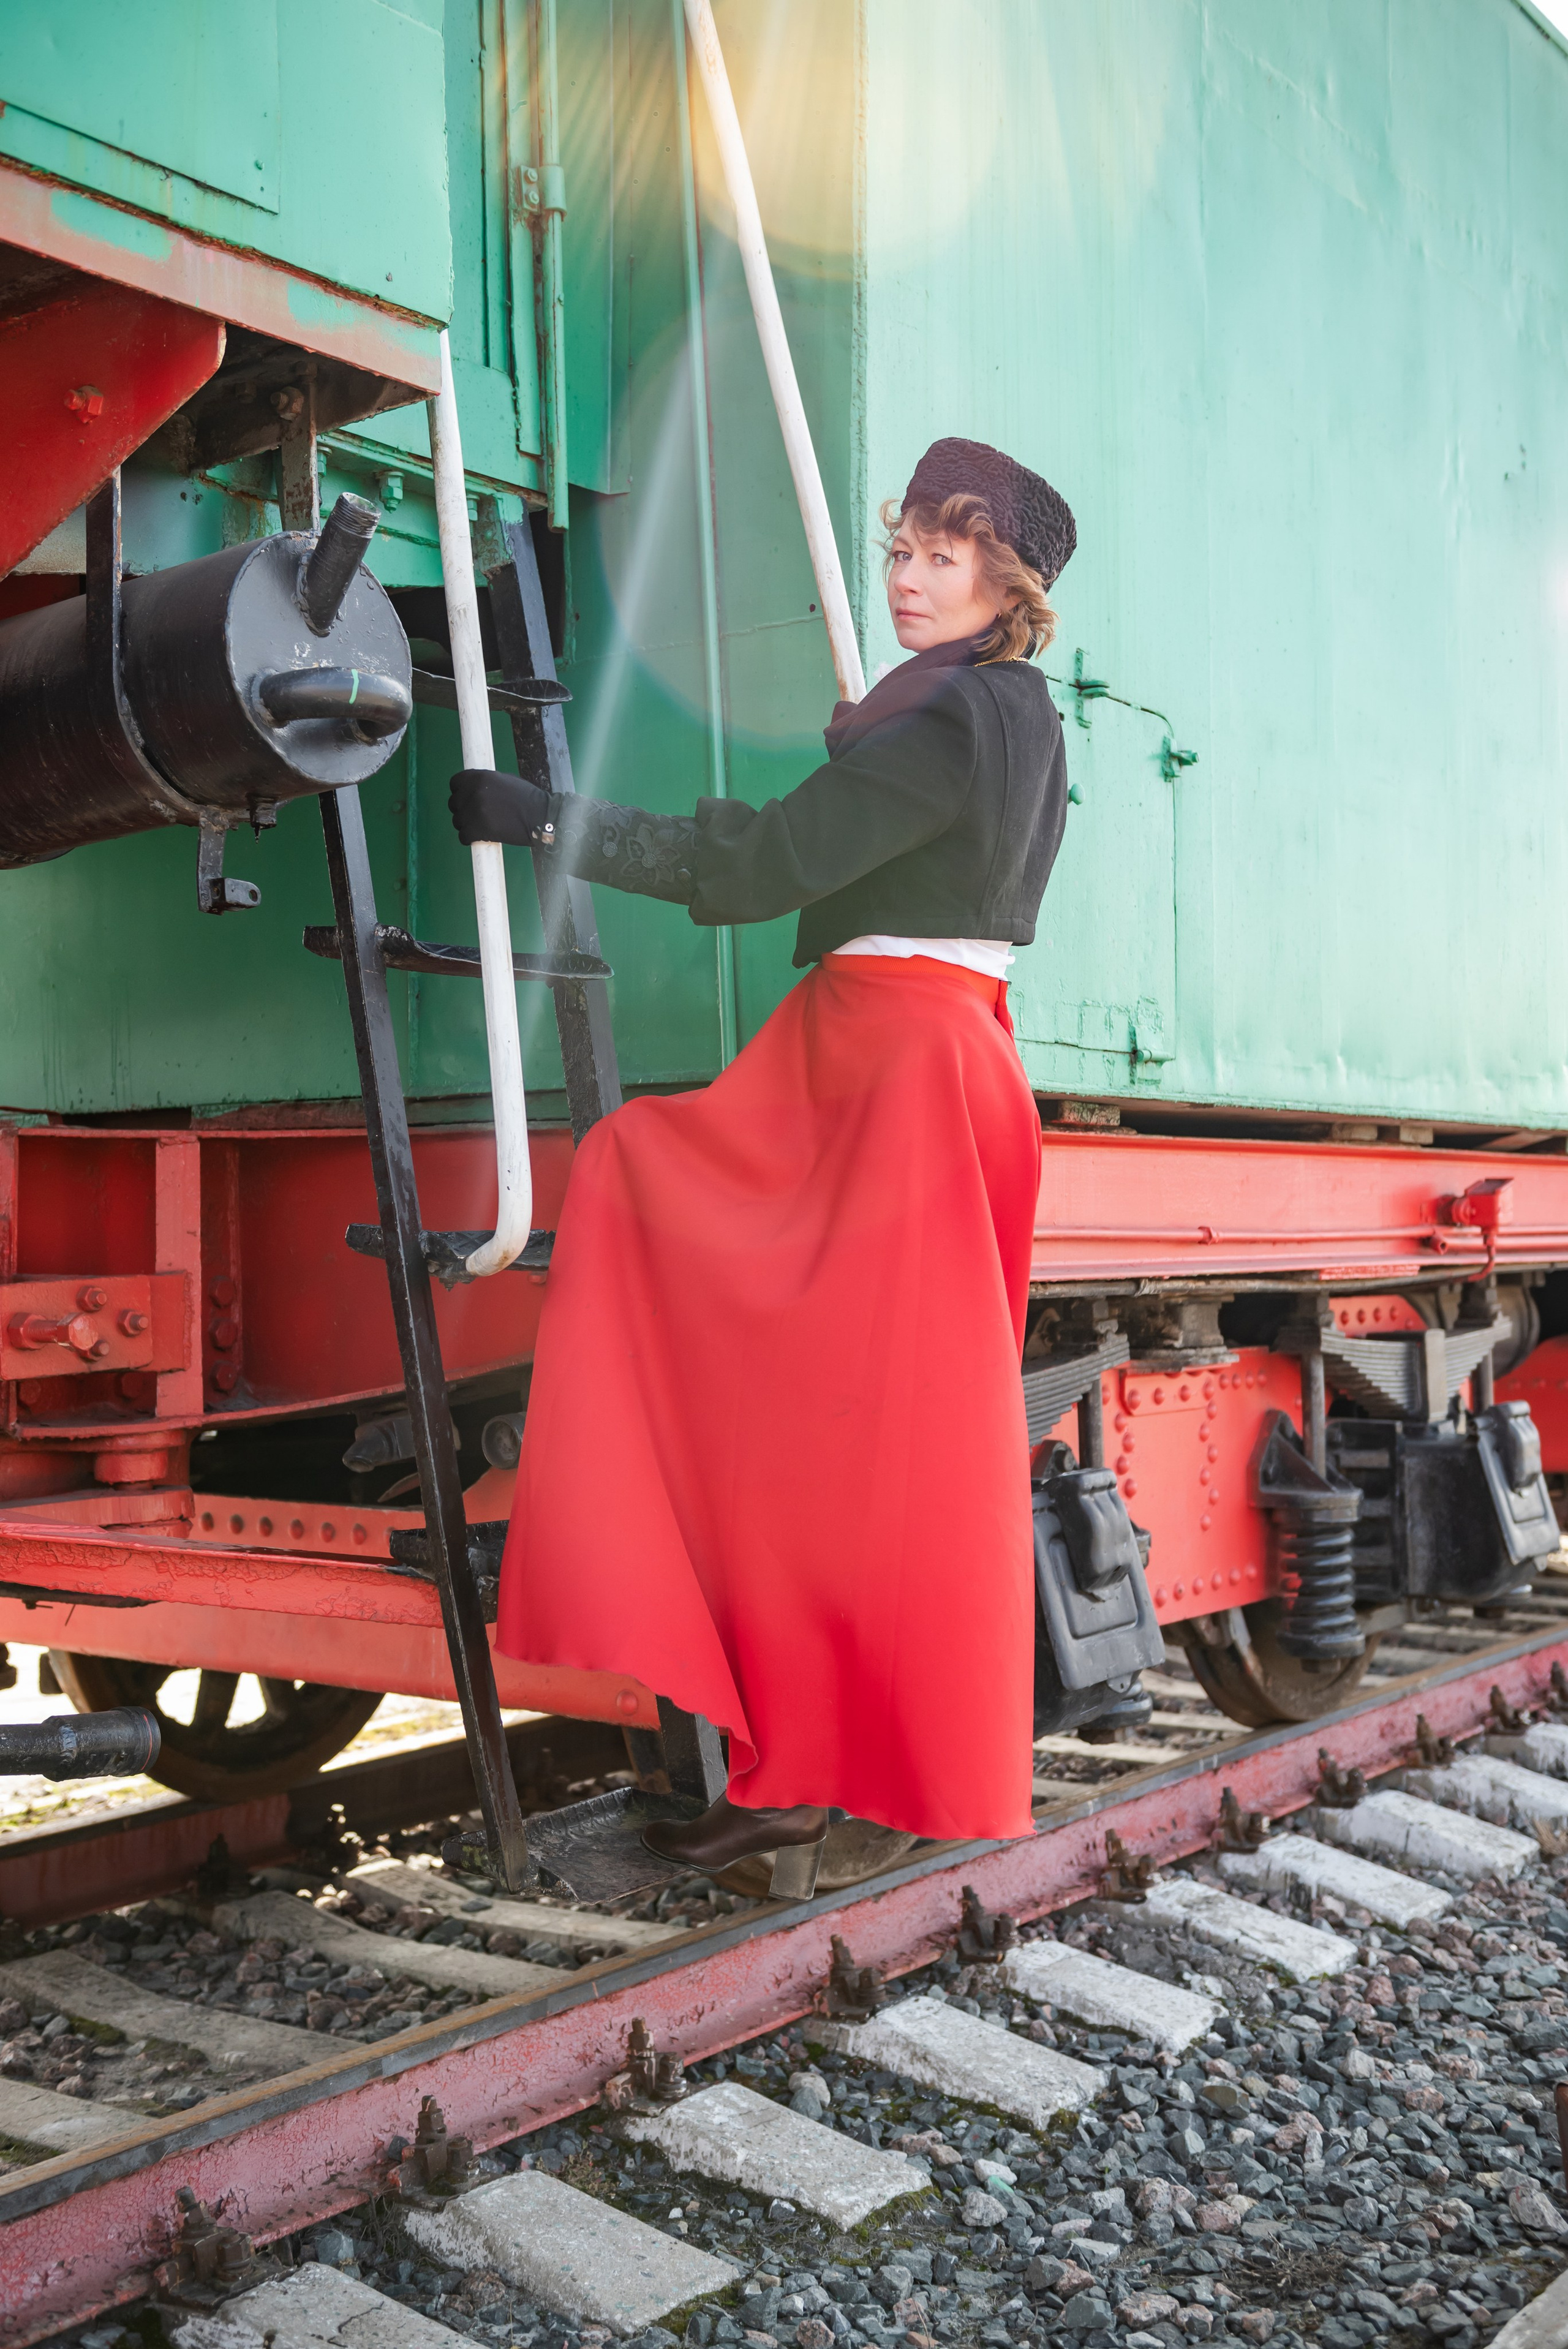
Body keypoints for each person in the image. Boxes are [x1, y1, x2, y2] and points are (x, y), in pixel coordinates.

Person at [448, 437, 1074, 1891]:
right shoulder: (991, 713)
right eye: (902, 547)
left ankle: (825, 1762)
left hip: (890, 1067)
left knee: (831, 1423)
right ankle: (788, 1767)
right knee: (834, 1439)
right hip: (897, 1054)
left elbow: (756, 870)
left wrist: (548, 820)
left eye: (939, 554)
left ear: (1004, 580)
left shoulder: (950, 722)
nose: (905, 575)